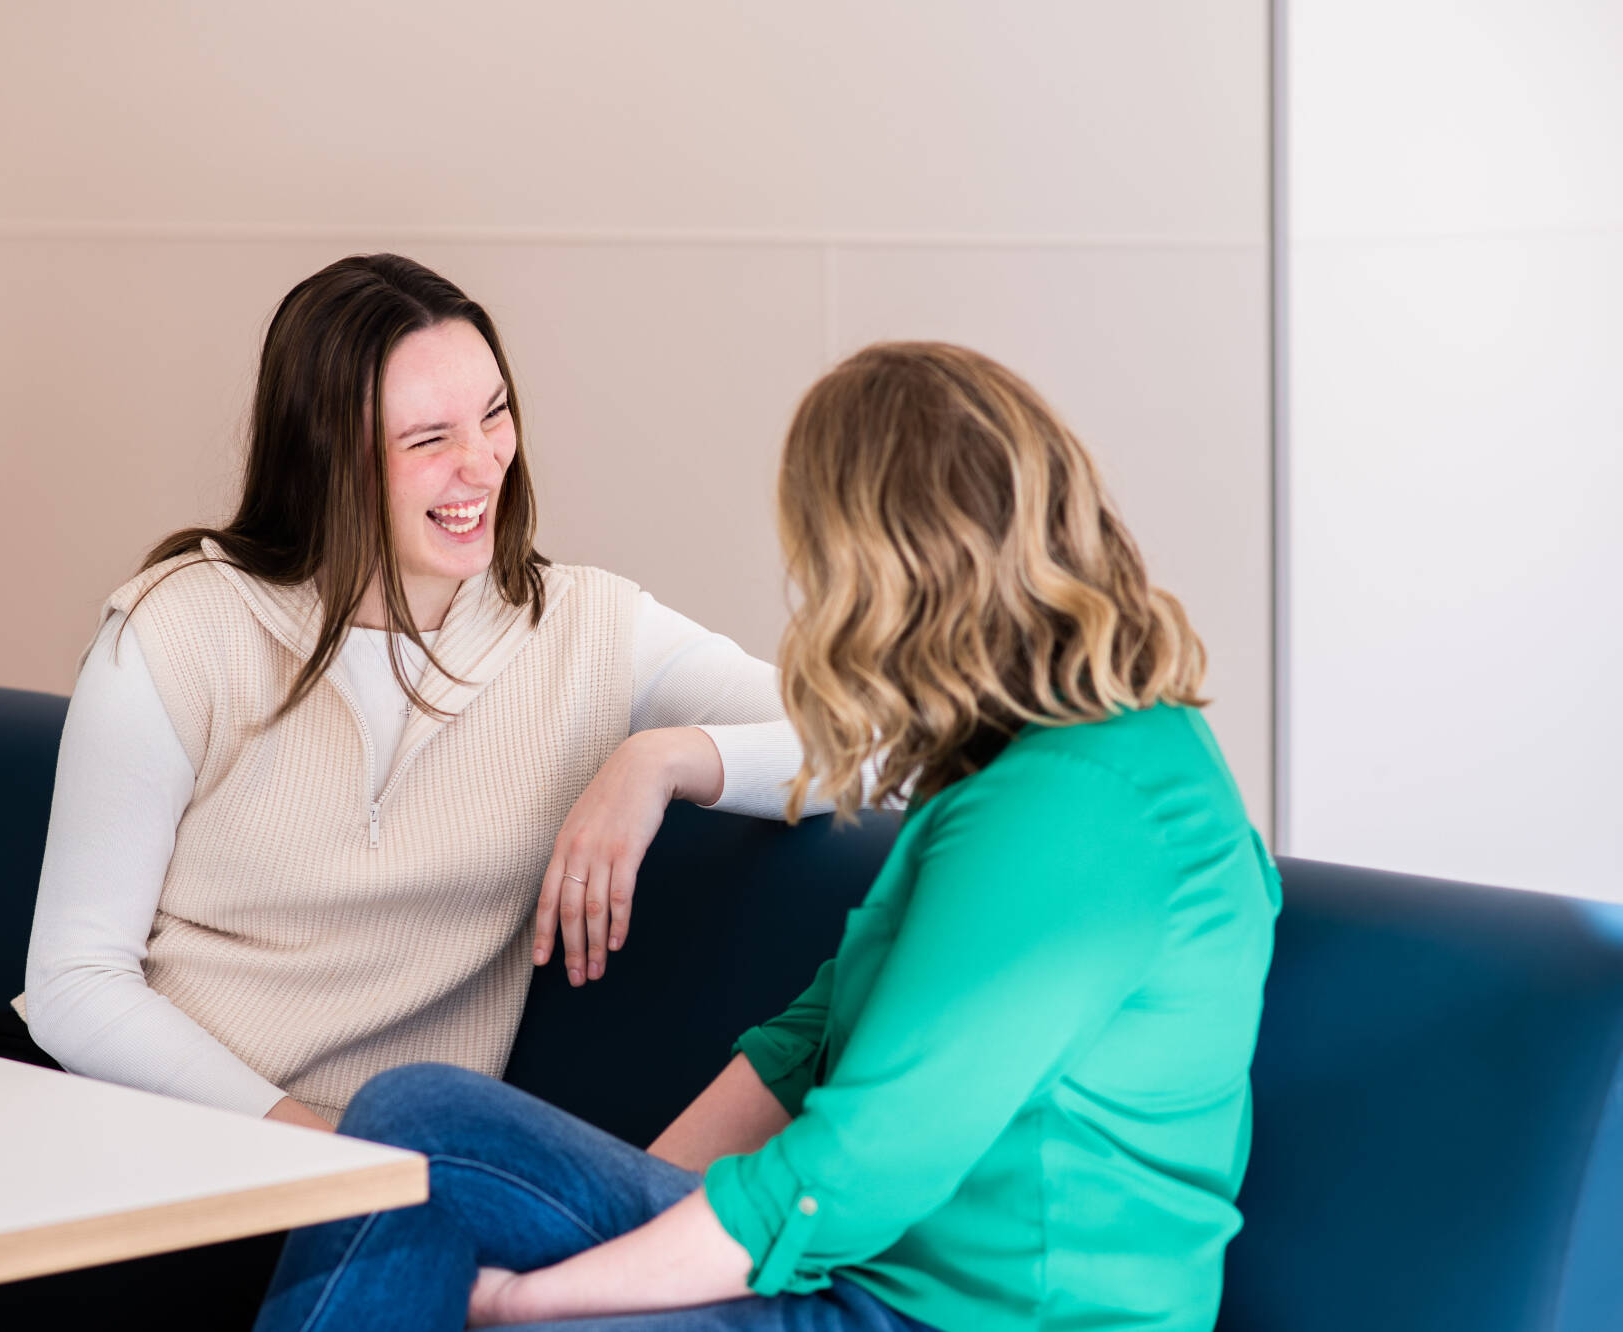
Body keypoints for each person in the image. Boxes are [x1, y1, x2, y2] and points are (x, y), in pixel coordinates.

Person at [254, 342, 1282, 1331]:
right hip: (849, 1275)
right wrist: (623, 1216)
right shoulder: (1023, 767)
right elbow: (811, 1043)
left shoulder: (1081, 812)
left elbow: (852, 1173)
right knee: (418, 1118)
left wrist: (526, 1302)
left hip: (946, 1313)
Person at [0, 254, 840, 1136]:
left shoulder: (587, 629)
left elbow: (885, 744)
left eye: (495, 414)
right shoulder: (175, 629)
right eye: (429, 439)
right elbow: (74, 984)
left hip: (372, 1167)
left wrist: (662, 758)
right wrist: (314, 1152)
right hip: (123, 1120)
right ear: (324, 460)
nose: (482, 463)